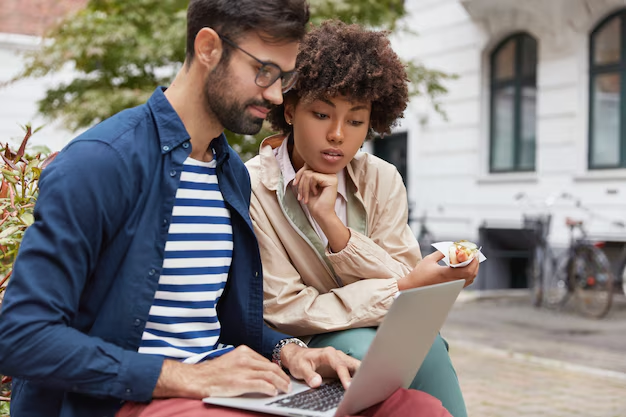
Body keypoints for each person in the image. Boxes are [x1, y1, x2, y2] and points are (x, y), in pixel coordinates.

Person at [0, 1, 453, 417]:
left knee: (414, 409)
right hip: (122, 399)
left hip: (222, 384)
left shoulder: (228, 174)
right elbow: (21, 337)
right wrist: (187, 377)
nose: (277, 96)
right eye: (264, 71)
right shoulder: (102, 162)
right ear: (208, 48)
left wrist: (292, 353)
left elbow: (232, 322)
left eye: (284, 78)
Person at [246, 21, 480, 417]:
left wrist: (336, 231)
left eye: (355, 122)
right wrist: (404, 287)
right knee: (363, 349)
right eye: (321, 114)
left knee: (429, 347)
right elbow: (284, 309)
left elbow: (408, 283)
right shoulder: (252, 187)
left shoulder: (382, 178)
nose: (337, 135)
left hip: (383, 331)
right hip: (303, 346)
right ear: (289, 109)